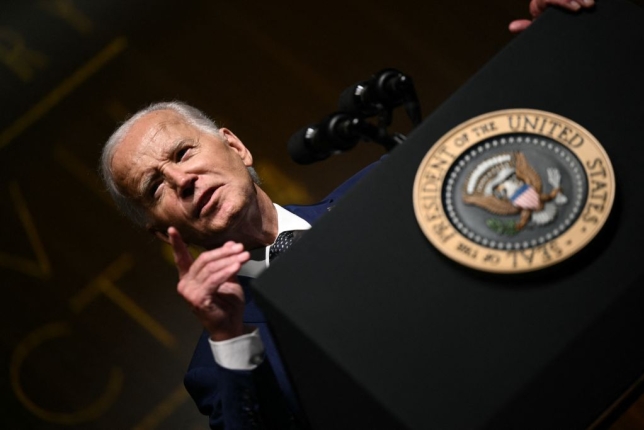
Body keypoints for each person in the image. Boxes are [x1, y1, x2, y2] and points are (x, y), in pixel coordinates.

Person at [100, 2, 595, 428]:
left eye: (183, 153)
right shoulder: (221, 358)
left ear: (235, 146)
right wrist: (231, 337)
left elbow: (528, 182)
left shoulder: (391, 185)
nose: (182, 180)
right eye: (155, 186)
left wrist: (560, 49)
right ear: (163, 233)